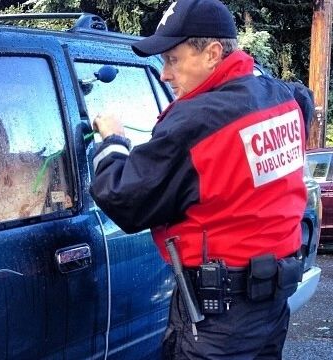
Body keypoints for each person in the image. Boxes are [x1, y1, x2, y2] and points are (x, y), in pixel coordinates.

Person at [90, 0, 314, 358]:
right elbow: (305, 99)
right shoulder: (279, 98)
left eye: (173, 60)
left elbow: (123, 196)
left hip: (218, 322)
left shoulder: (197, 123)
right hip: (270, 309)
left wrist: (113, 141)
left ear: (212, 53)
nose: (165, 73)